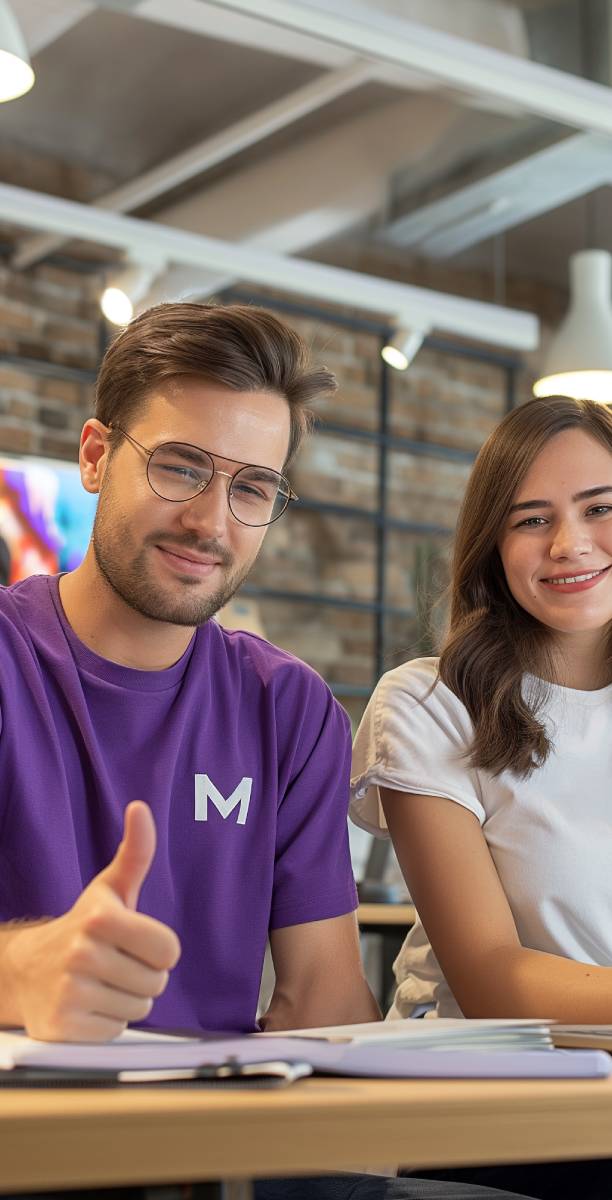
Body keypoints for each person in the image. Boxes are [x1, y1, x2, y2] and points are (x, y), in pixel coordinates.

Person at [0, 301, 527, 1200]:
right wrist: (20, 974)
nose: (212, 520)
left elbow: (321, 995)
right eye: (180, 467)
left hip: (218, 1160)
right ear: (95, 456)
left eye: (252, 487)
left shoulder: (289, 709)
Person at [351, 394, 612, 1200]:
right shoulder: (427, 703)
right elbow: (494, 977)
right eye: (530, 519)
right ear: (491, 546)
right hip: (497, 1110)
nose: (570, 543)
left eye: (600, 507)